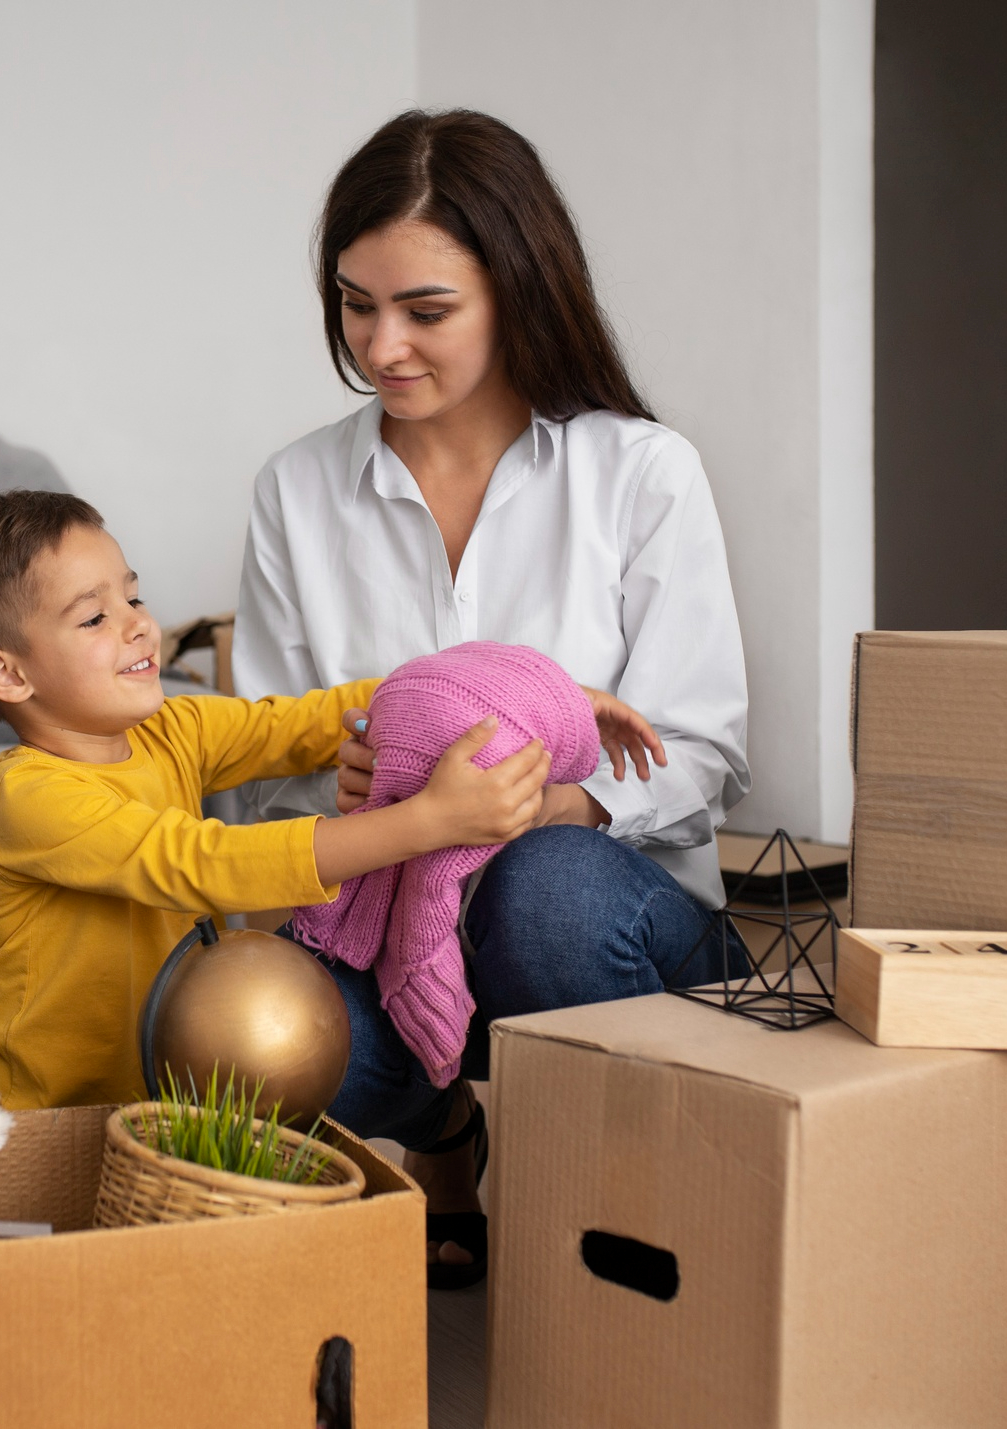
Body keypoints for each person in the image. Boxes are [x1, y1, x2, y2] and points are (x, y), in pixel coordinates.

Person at [233, 109, 750, 1287]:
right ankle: (442, 1133)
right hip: (387, 923)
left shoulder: (637, 472)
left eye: (424, 311)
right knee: (210, 1007)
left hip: (603, 925)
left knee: (543, 894)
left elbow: (700, 749)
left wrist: (540, 806)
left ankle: (630, 1237)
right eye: (355, 304)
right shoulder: (297, 489)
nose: (379, 344)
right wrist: (342, 781)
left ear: (517, 287)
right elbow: (260, 763)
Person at [0, 490, 644, 1110]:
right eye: (94, 617)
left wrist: (522, 701)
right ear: (8, 675)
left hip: (148, 1100)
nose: (140, 624)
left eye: (134, 594)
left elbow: (308, 721)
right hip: (17, 1115)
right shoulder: (32, 798)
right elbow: (208, 864)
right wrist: (424, 823)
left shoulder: (171, 728)